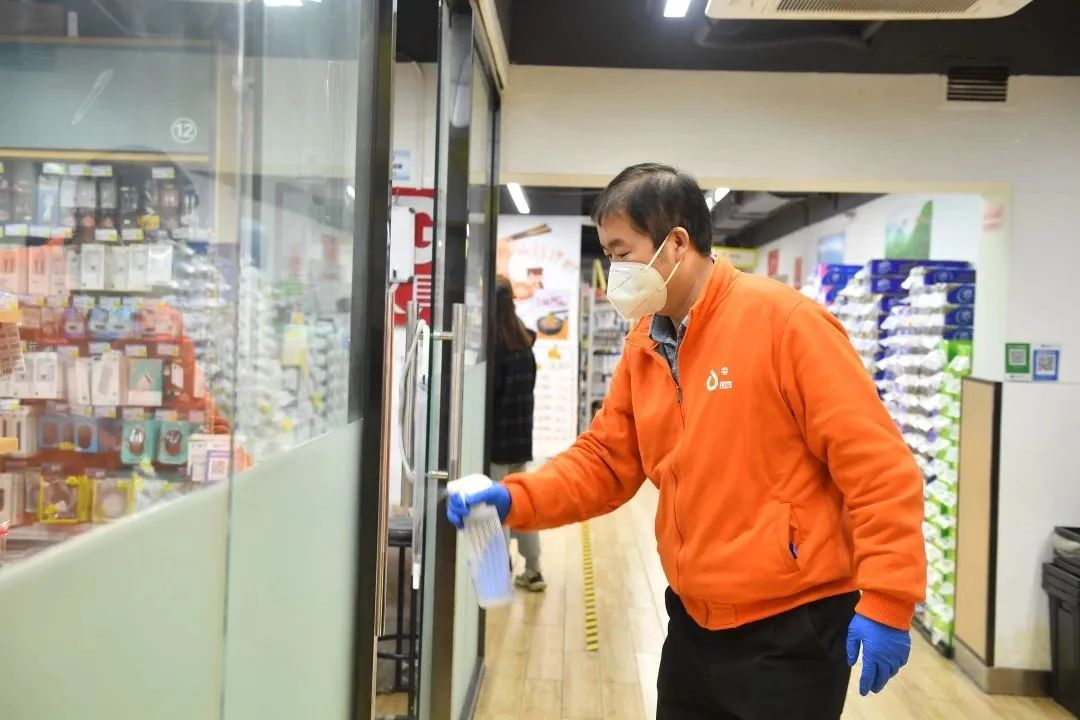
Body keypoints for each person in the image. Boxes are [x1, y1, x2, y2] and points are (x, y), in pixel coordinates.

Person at [449, 163, 927, 718]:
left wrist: (889, 596)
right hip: (693, 620)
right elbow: (606, 459)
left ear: (676, 243)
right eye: (608, 254)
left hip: (793, 626)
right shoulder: (645, 343)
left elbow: (876, 465)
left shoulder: (785, 323)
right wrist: (515, 499)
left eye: (623, 252)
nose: (615, 271)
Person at [490, 275, 545, 592]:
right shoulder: (524, 343)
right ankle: (534, 570)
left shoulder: (493, 349)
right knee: (522, 505)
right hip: (521, 440)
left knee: (492, 508)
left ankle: (497, 573)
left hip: (496, 444)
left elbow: (490, 399)